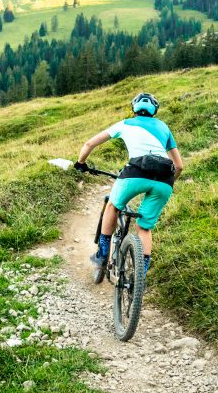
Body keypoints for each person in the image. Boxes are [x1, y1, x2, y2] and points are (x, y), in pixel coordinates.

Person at [74, 92, 183, 277]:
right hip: (165, 180)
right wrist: (168, 182)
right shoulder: (164, 127)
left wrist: (81, 163)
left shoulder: (125, 123)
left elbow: (89, 143)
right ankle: (140, 275)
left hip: (135, 173)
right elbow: (179, 166)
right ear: (155, 110)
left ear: (134, 109)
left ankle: (102, 255)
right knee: (144, 227)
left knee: (112, 206)